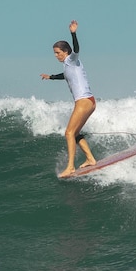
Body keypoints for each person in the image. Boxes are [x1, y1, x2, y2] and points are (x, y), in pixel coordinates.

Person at [41, 20, 97, 177]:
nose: (56, 56)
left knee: (68, 133)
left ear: (66, 52)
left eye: (58, 52)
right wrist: (50, 77)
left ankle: (71, 167)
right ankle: (90, 159)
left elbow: (77, 49)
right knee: (76, 133)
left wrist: (73, 33)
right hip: (89, 102)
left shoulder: (71, 59)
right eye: (55, 53)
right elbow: (64, 76)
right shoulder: (68, 66)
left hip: (84, 101)